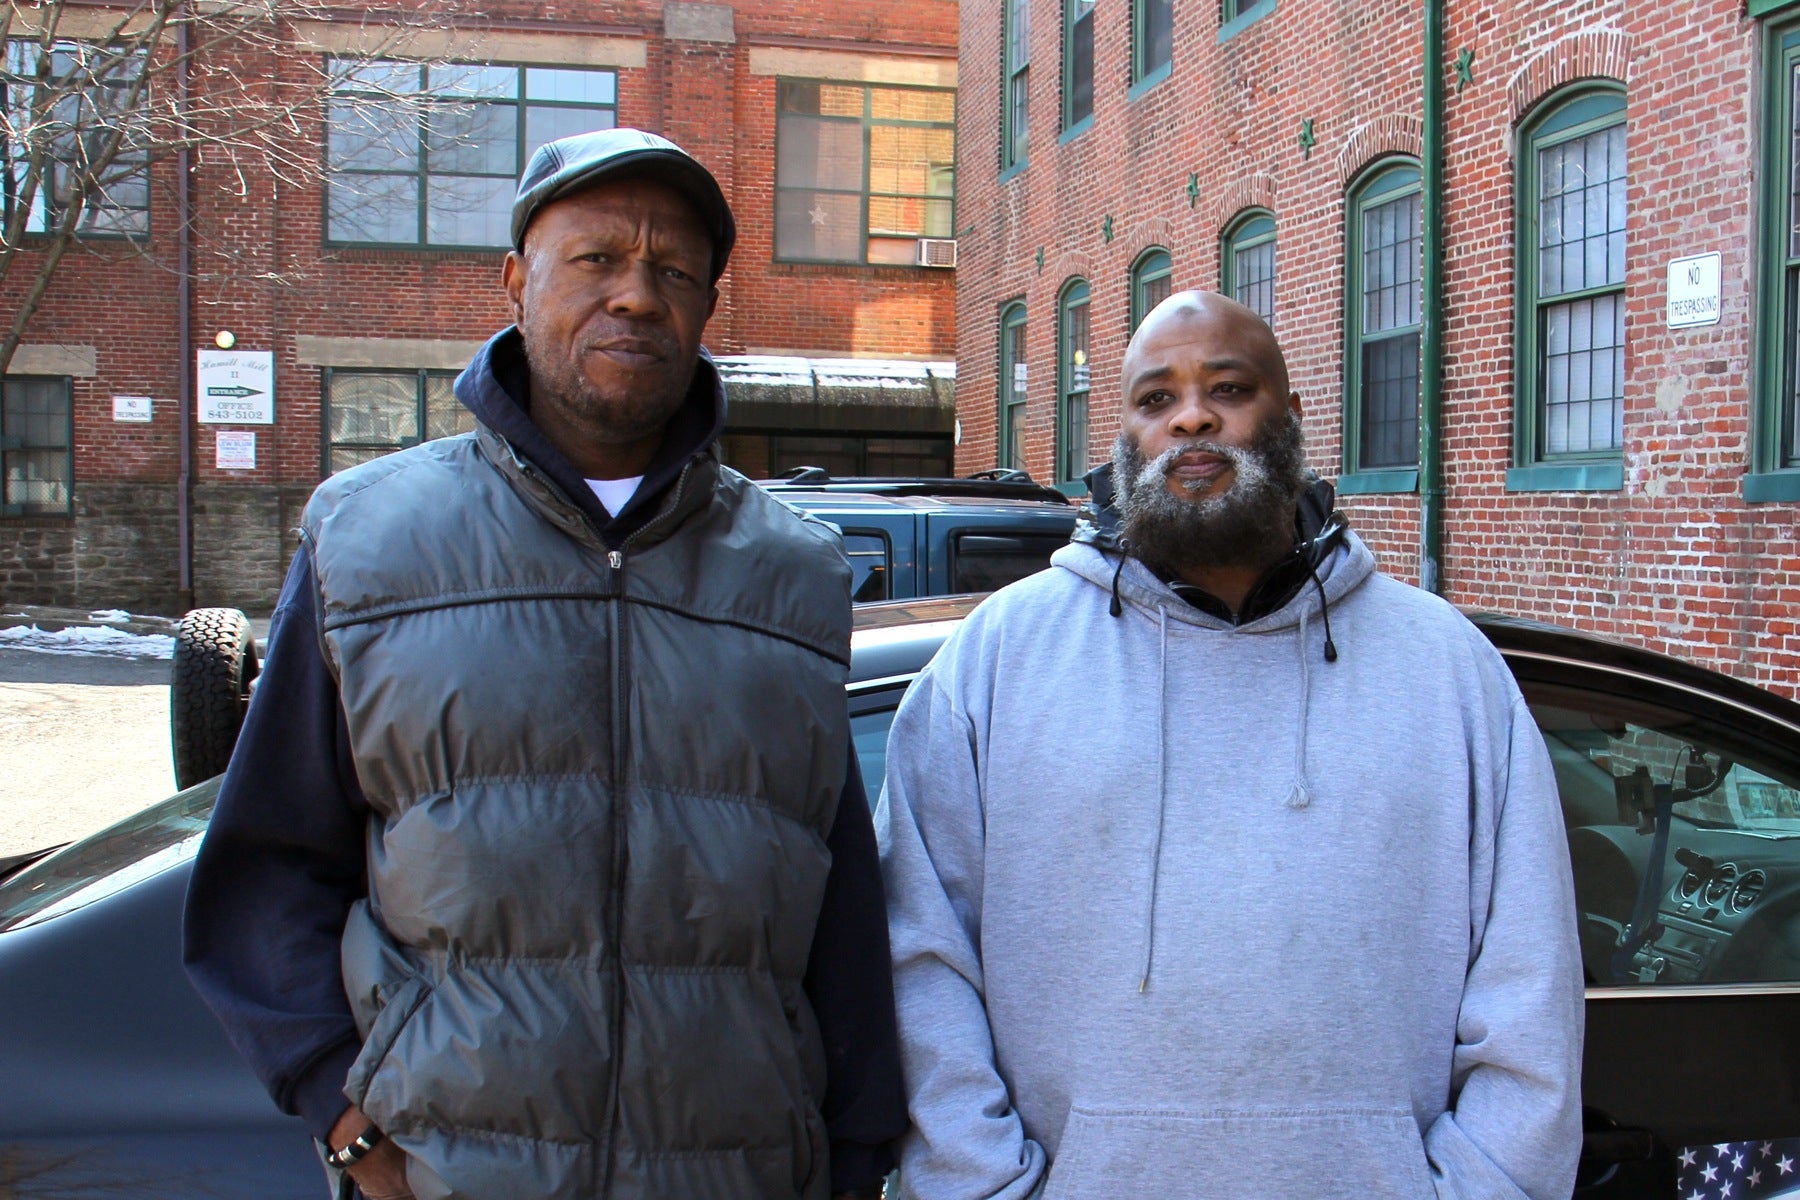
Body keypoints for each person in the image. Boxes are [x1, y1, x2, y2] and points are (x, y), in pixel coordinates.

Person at [184, 128, 903, 1200]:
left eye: (673, 272)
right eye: (597, 259)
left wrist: (849, 1159)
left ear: (708, 307)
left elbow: (835, 904)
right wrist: (342, 1109)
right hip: (454, 1175)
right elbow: (268, 868)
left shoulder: (794, 574)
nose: (637, 296)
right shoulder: (369, 541)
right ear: (517, 280)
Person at [877, 291, 1584, 1199]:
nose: (1192, 415)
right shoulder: (998, 659)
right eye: (1154, 398)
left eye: (1228, 387)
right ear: (1123, 437)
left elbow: (1529, 982)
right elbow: (919, 958)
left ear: (1286, 421)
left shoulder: (1448, 670)